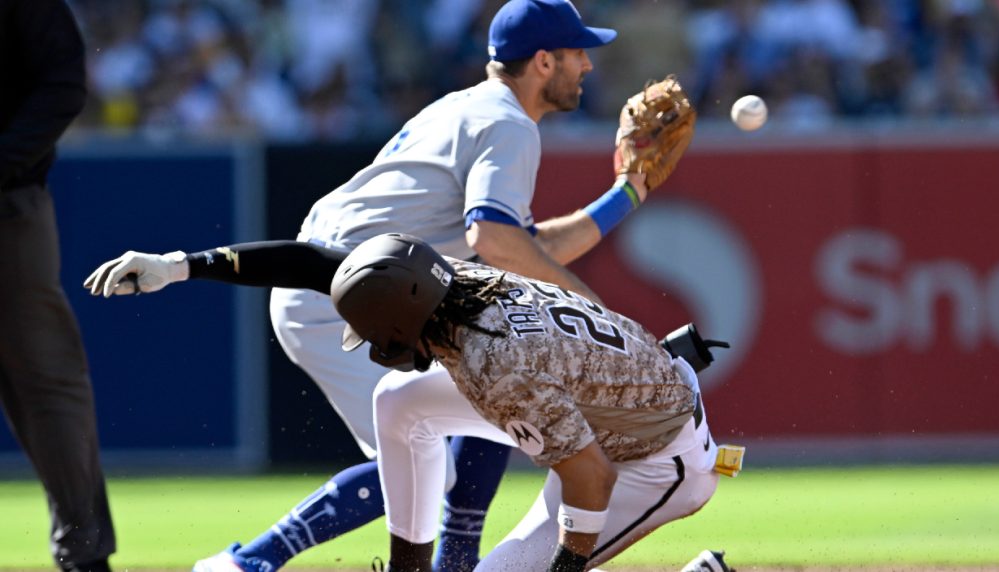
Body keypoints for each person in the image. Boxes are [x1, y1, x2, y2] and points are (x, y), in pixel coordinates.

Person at [120, 2, 653, 571]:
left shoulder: (469, 107)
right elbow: (496, 240)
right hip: (343, 297)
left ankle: (453, 562)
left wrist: (628, 193)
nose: (588, 67)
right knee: (419, 460)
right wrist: (589, 307)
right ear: (544, 61)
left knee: (495, 385)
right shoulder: (508, 125)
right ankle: (248, 563)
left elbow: (519, 245)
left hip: (356, 285)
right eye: (578, 54)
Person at [83, 234, 743, 572]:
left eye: (372, 336)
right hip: (609, 401)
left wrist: (566, 568)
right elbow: (316, 261)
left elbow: (589, 476)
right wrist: (181, 264)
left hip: (653, 461)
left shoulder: (494, 366)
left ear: (401, 325)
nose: (370, 345)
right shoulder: (446, 283)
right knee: (401, 399)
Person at [0, 1, 116, 571]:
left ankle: (85, 556)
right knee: (52, 387)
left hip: (7, 210)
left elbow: (63, 83)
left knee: (47, 383)